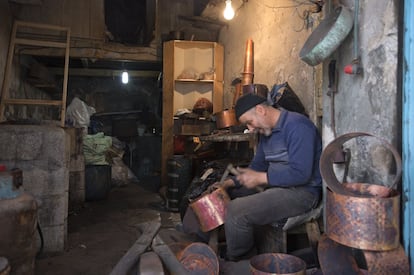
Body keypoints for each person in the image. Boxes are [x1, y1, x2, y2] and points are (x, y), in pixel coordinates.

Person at [217, 92, 322, 261]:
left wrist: (262, 179)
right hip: (278, 187)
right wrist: (229, 183)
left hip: (302, 193)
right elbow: (257, 168)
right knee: (230, 196)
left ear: (260, 110)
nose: (250, 129)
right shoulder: (266, 133)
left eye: (249, 122)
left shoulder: (298, 126)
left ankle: (241, 263)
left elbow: (301, 174)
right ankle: (235, 242)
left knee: (236, 211)